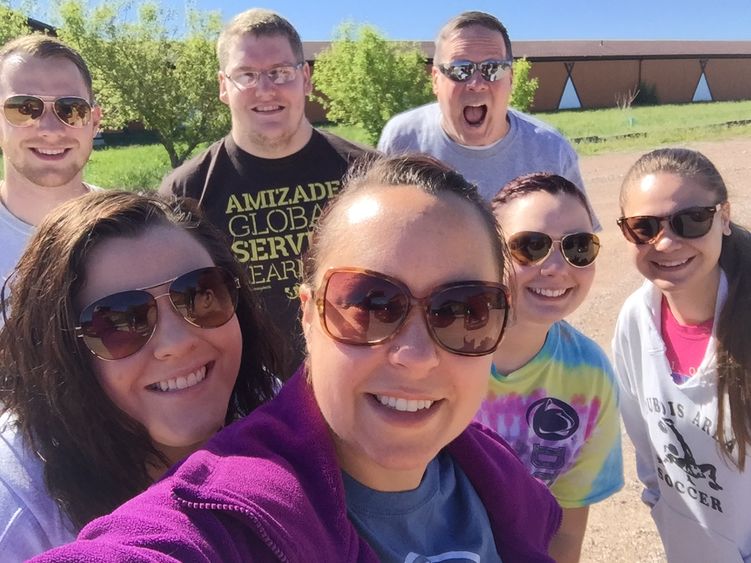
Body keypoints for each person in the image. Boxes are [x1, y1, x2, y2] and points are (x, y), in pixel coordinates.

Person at [33, 155, 561, 562]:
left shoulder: (494, 474)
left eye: (462, 309)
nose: (416, 355)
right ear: (308, 317)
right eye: (370, 305)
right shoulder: (232, 515)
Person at [0, 191, 282, 561]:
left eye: (200, 295)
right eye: (120, 321)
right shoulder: (19, 513)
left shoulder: (268, 409)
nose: (176, 343)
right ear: (62, 354)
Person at [159, 8, 369, 377]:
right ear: (223, 86)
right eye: (247, 75)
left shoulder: (369, 174)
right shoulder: (185, 191)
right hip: (241, 396)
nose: (266, 89)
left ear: (305, 78)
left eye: (280, 72)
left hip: (354, 380)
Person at [475, 173, 623, 562]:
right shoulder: (439, 352)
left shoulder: (589, 376)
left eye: (578, 247)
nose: (556, 267)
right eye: (530, 246)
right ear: (490, 250)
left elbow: (566, 531)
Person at [613, 148, 751, 562]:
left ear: (723, 217)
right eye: (644, 227)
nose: (667, 242)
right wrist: (665, 511)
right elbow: (648, 453)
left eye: (691, 220)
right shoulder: (636, 321)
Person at [378, 11, 599, 229]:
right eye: (460, 70)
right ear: (436, 80)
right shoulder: (402, 140)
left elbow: (578, 245)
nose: (476, 82)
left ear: (510, 79)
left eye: (492, 69)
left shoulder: (551, 151)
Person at [0, 35, 101, 284]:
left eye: (70, 109)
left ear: (95, 122)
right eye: (24, 108)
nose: (50, 129)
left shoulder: (133, 229)